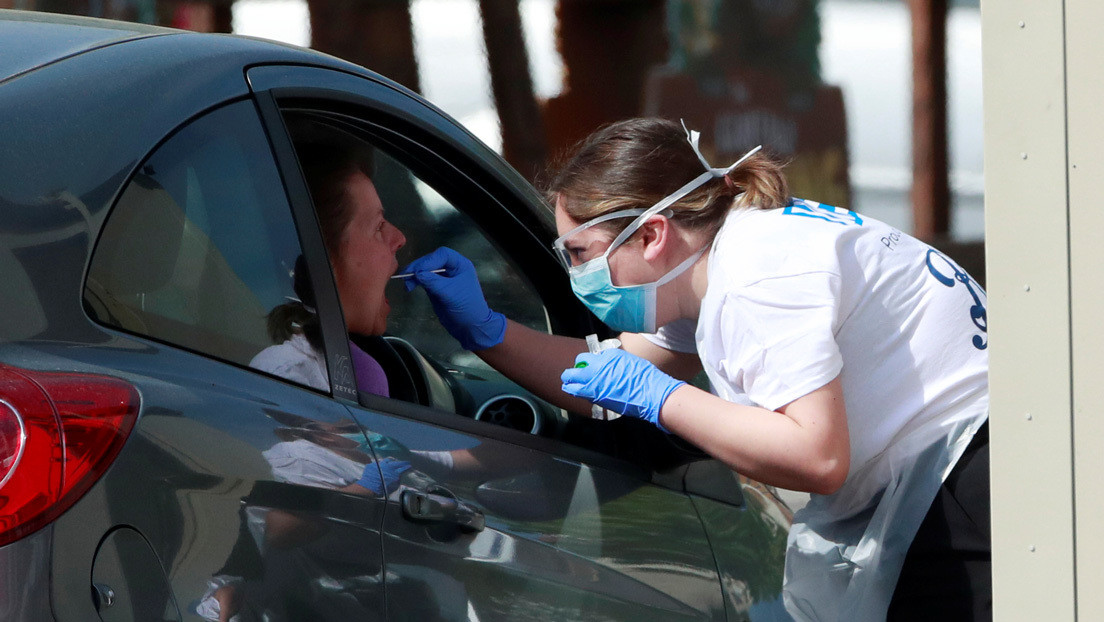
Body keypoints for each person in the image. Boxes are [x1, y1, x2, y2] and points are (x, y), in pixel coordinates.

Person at [401, 118, 990, 621]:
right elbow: (609, 376)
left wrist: (662, 399)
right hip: (959, 477)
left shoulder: (753, 278)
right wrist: (489, 332)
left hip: (966, 488)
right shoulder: (723, 263)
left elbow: (819, 457)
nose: (577, 276)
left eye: (579, 253)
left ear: (652, 234)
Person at [251, 141, 406, 397]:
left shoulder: (350, 368)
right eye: (378, 227)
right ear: (325, 265)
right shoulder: (287, 377)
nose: (400, 238)